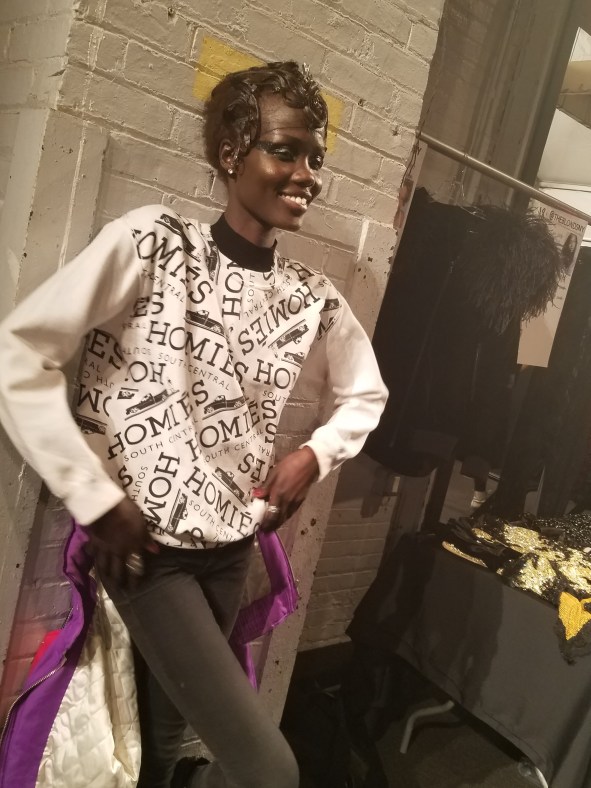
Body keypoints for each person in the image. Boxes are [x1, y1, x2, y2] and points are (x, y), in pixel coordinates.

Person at [0, 61, 387, 788]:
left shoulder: (310, 296)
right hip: (151, 552)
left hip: (232, 542)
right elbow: (21, 352)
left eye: (315, 159)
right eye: (286, 151)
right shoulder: (153, 243)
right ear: (231, 152)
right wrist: (93, 497)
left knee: (165, 739)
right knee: (268, 770)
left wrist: (313, 455)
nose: (306, 175)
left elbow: (366, 395)